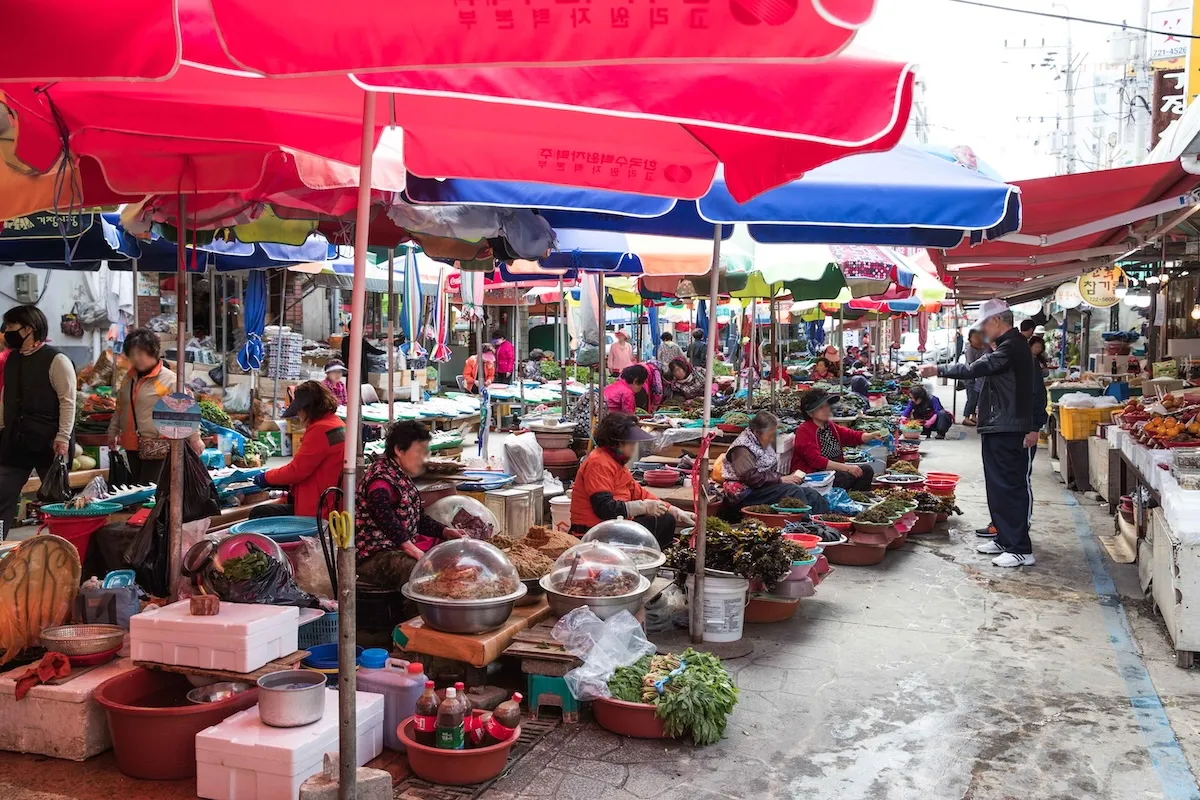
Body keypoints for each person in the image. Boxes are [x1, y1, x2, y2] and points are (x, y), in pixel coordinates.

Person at [922, 299, 1038, 568]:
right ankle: (1005, 539)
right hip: (999, 424)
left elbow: (975, 369)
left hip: (1009, 426)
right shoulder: (1008, 346)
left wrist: (938, 369)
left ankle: (1020, 547)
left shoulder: (1012, 347)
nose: (984, 330)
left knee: (1010, 487)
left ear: (996, 321)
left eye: (985, 323)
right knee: (998, 486)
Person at [356, 421, 466, 588]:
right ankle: (419, 614)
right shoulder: (380, 481)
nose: (423, 459)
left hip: (397, 547)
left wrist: (445, 531)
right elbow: (386, 519)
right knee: (420, 574)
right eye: (419, 452)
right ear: (399, 450)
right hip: (373, 555)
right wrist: (409, 547)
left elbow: (417, 519)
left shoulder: (400, 474)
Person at [0, 306, 76, 536]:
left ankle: (65, 545)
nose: (6, 332)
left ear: (29, 329)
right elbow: (6, 398)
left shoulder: (57, 360)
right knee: (2, 495)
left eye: (11, 327)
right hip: (15, 440)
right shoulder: (12, 359)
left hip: (49, 441)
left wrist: (63, 437)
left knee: (57, 500)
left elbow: (68, 401)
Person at [571, 413, 694, 547]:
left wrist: (675, 511)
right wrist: (642, 507)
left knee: (665, 519)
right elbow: (604, 508)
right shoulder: (598, 462)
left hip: (614, 526)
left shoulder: (616, 464)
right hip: (595, 533)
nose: (633, 447)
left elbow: (640, 493)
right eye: (631, 443)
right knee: (663, 521)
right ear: (617, 443)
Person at [107, 328, 204, 483]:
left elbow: (187, 410)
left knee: (150, 492)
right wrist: (113, 432)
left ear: (152, 352)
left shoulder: (170, 380)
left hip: (158, 448)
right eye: (132, 354)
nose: (136, 358)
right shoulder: (128, 378)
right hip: (131, 445)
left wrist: (195, 439)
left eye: (140, 353)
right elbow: (120, 408)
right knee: (136, 490)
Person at [251, 381, 346, 518]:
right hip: (331, 502)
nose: (299, 416)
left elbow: (296, 471)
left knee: (259, 513)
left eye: (299, 411)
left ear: (308, 408)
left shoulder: (320, 429)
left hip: (319, 509)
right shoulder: (335, 423)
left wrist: (266, 477)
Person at [724, 411, 828, 512]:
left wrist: (787, 477)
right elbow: (751, 478)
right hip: (745, 494)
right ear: (757, 432)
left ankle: (822, 521)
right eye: (770, 435)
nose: (772, 438)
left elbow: (766, 471)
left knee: (811, 493)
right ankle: (805, 525)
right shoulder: (742, 449)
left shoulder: (762, 441)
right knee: (793, 491)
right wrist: (781, 479)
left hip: (763, 487)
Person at [792, 389, 886, 491]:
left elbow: (851, 436)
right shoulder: (804, 430)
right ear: (810, 413)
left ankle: (856, 499)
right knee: (845, 477)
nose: (826, 410)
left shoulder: (829, 425)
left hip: (833, 473)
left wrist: (872, 435)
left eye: (827, 406)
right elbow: (816, 461)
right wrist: (847, 468)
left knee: (866, 470)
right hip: (814, 478)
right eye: (821, 408)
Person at [962, 329, 985, 426]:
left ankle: (973, 415)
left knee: (976, 397)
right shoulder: (969, 349)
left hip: (978, 376)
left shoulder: (982, 348)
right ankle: (966, 417)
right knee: (972, 397)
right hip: (970, 376)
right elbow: (971, 364)